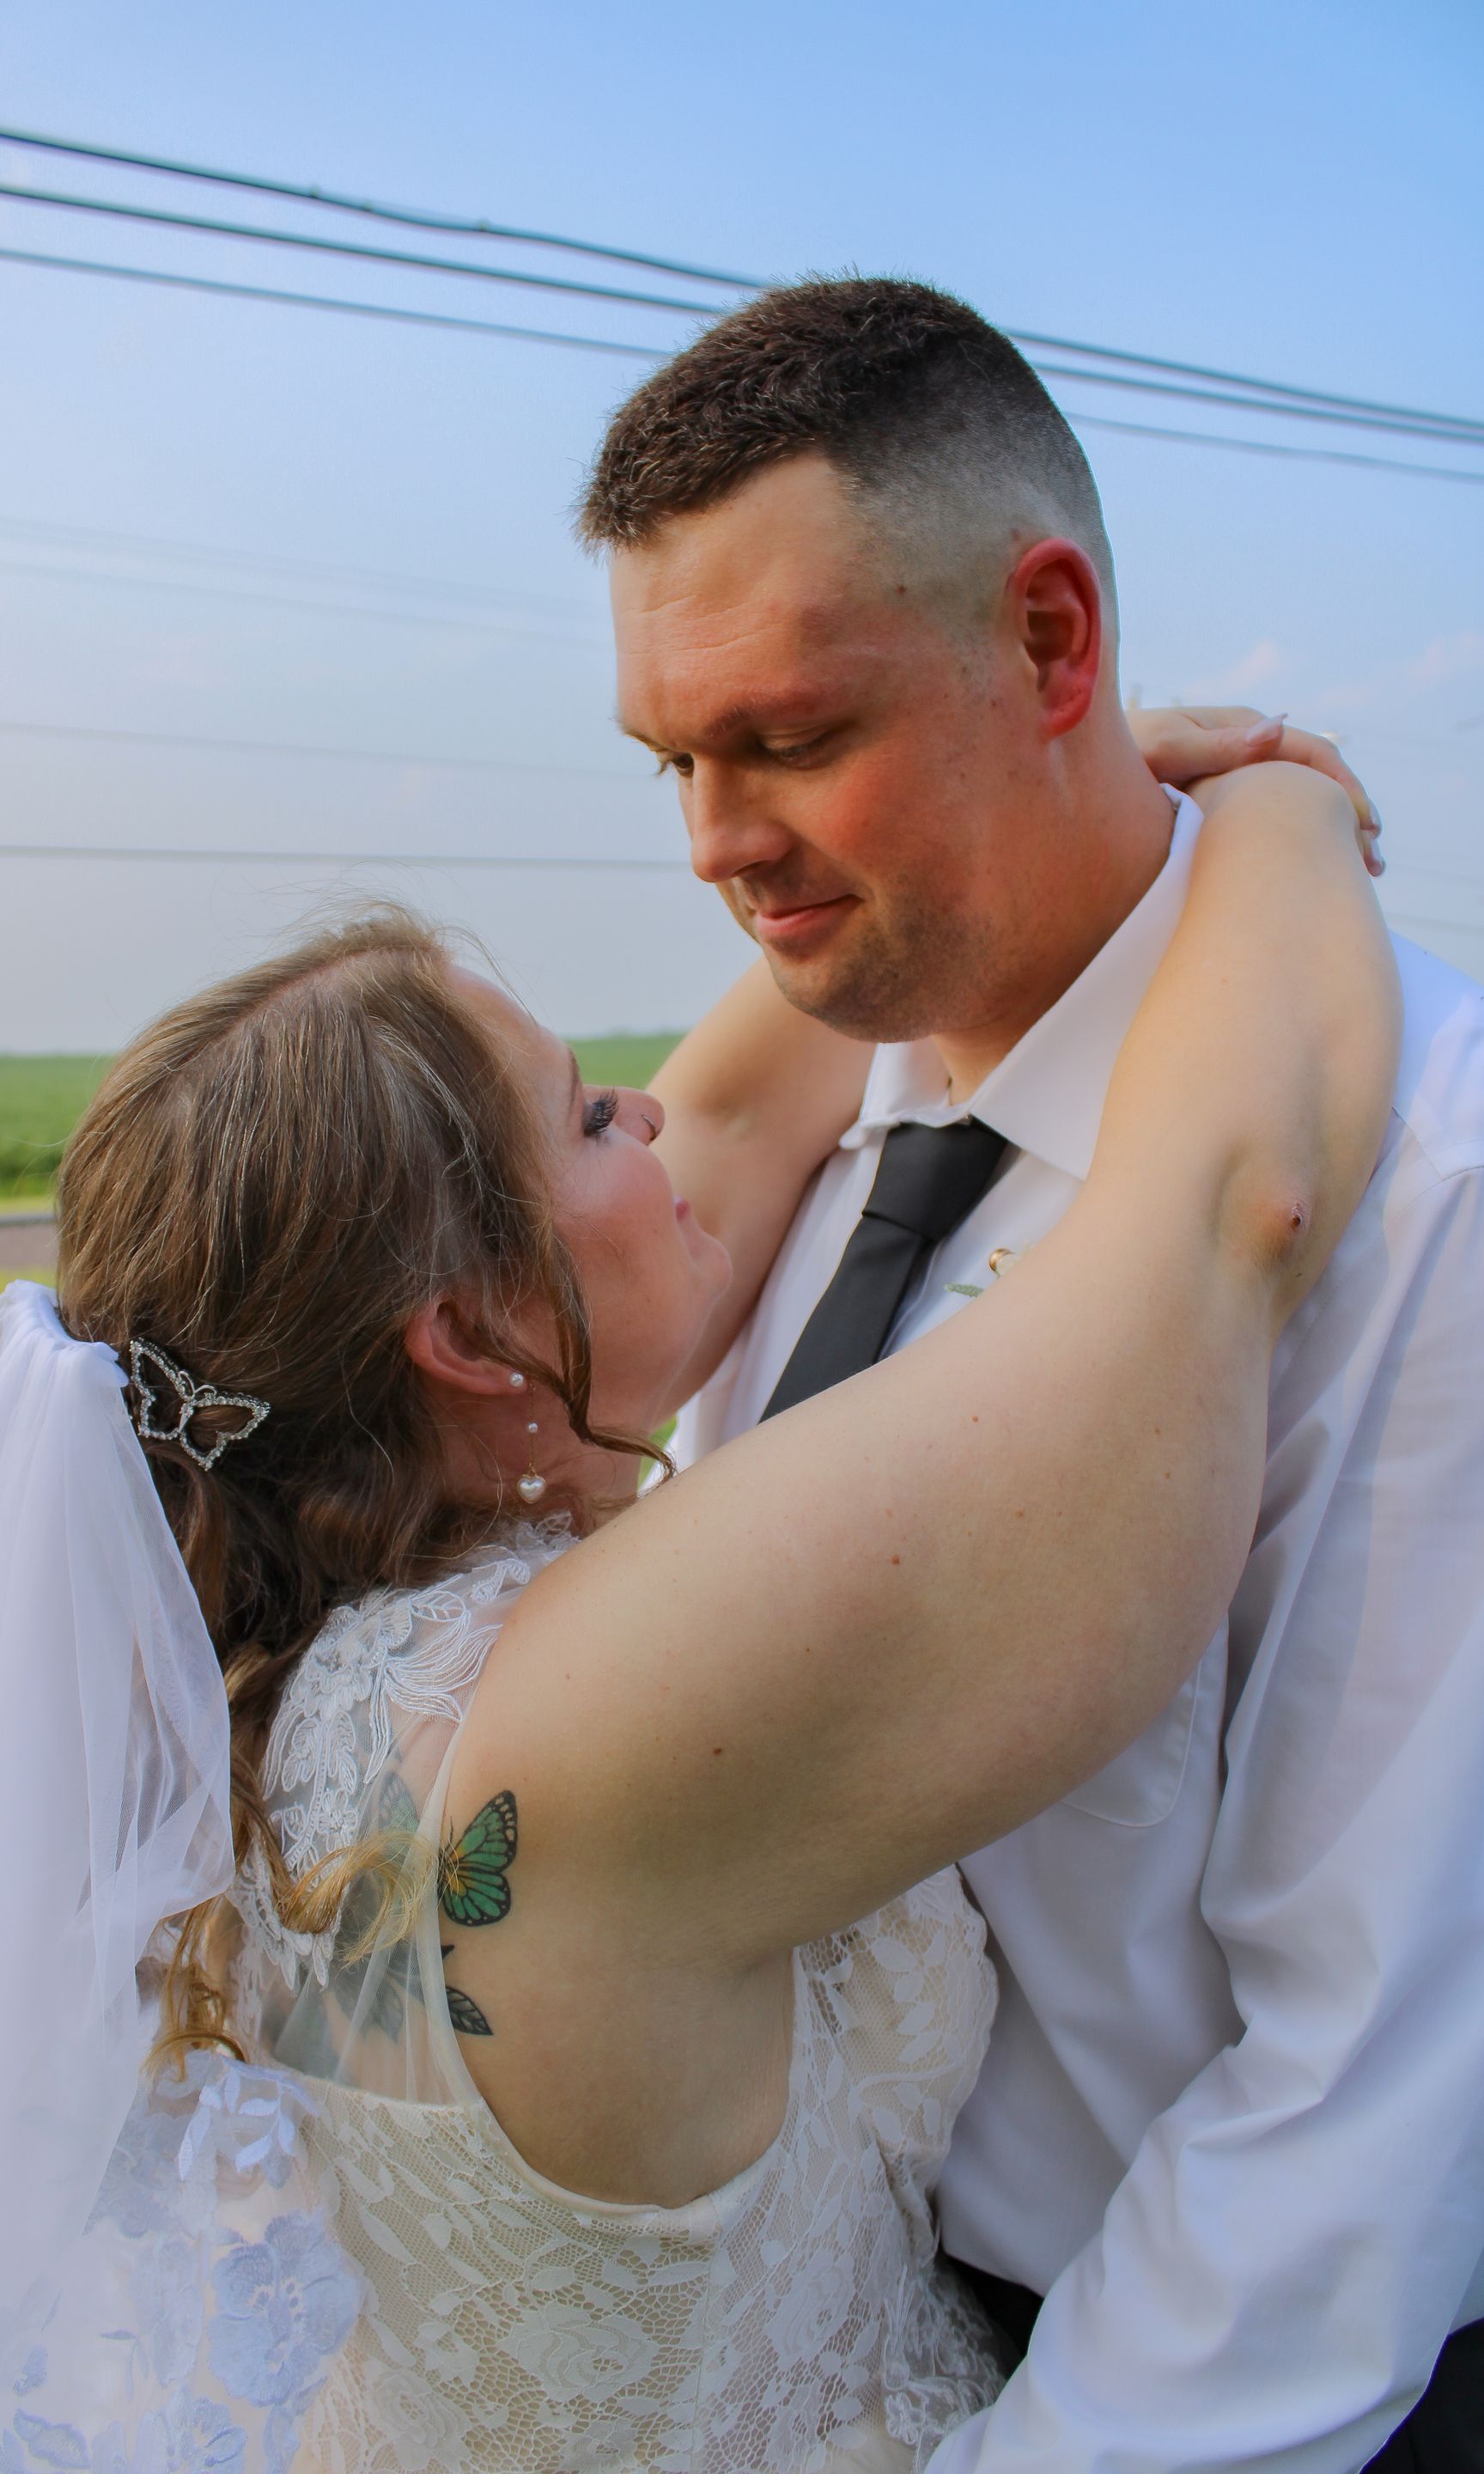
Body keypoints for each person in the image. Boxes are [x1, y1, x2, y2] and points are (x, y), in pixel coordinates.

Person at [0, 759, 1390, 2472]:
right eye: (589, 1116)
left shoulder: (275, 1674)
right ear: (473, 1334)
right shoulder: (585, 1705)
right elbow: (1229, 1206)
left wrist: (1048, 797)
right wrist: (1273, 813)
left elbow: (729, 1119)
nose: (652, 1117)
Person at [581, 276, 1484, 2471]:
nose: (713, 842)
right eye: (672, 762)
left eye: (789, 739)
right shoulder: (783, 1134)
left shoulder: (1430, 1188)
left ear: (1057, 646)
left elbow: (1371, 2075)